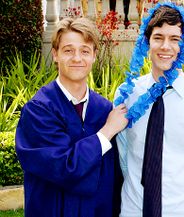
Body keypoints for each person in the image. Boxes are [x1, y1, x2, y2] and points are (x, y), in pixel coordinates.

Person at [114, 2, 184, 217]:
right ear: (147, 42)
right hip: (133, 210)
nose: (166, 46)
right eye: (158, 37)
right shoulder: (127, 94)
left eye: (175, 39)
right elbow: (124, 156)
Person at [15, 17, 128, 217]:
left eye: (85, 51)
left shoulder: (103, 109)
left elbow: (113, 177)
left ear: (94, 56)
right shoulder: (38, 111)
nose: (77, 58)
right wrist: (106, 132)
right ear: (55, 54)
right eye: (68, 50)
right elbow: (63, 167)